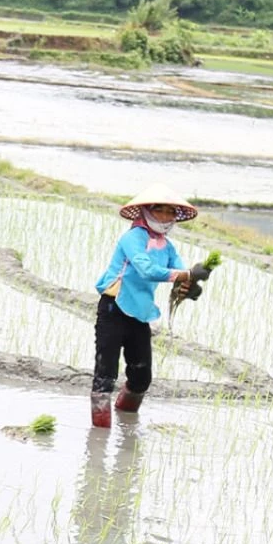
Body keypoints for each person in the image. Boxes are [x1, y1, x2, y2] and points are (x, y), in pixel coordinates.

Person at [90, 184, 200, 430]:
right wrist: (184, 275)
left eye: (170, 212)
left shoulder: (168, 247)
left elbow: (181, 272)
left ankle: (126, 422)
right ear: (146, 212)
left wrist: (190, 283)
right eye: (158, 210)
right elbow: (146, 269)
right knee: (105, 374)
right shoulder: (132, 238)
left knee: (141, 377)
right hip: (114, 308)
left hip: (139, 313)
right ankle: (99, 435)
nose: (165, 216)